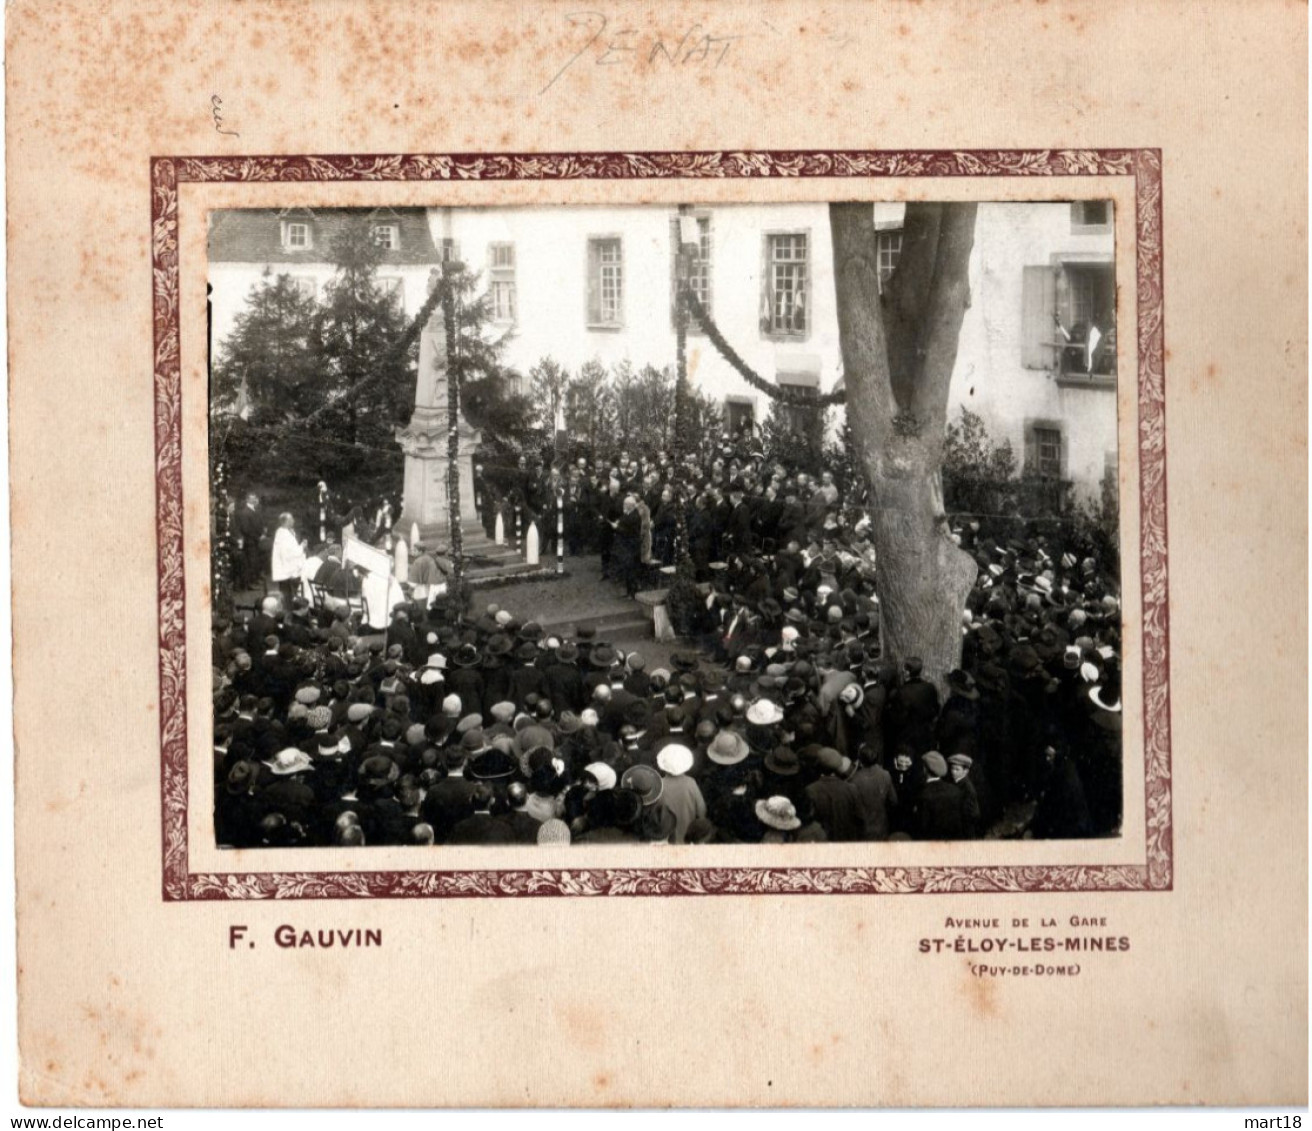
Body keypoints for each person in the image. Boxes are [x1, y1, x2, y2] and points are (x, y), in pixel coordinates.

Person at [270, 513, 307, 605]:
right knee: (287, 594)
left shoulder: (285, 532)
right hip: (287, 569)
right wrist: (302, 546)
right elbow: (291, 553)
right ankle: (289, 610)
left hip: (286, 567)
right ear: (286, 522)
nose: (293, 521)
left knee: (286, 592)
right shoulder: (283, 535)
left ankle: (288, 607)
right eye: (291, 519)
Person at [234, 492, 266, 592]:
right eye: (252, 497)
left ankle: (254, 580)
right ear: (248, 499)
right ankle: (250, 584)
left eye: (255, 497)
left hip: (254, 540)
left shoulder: (253, 510)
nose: (255, 499)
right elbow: (246, 529)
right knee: (250, 563)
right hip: (250, 542)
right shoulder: (245, 512)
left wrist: (261, 533)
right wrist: (258, 537)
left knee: (255, 562)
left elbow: (257, 524)